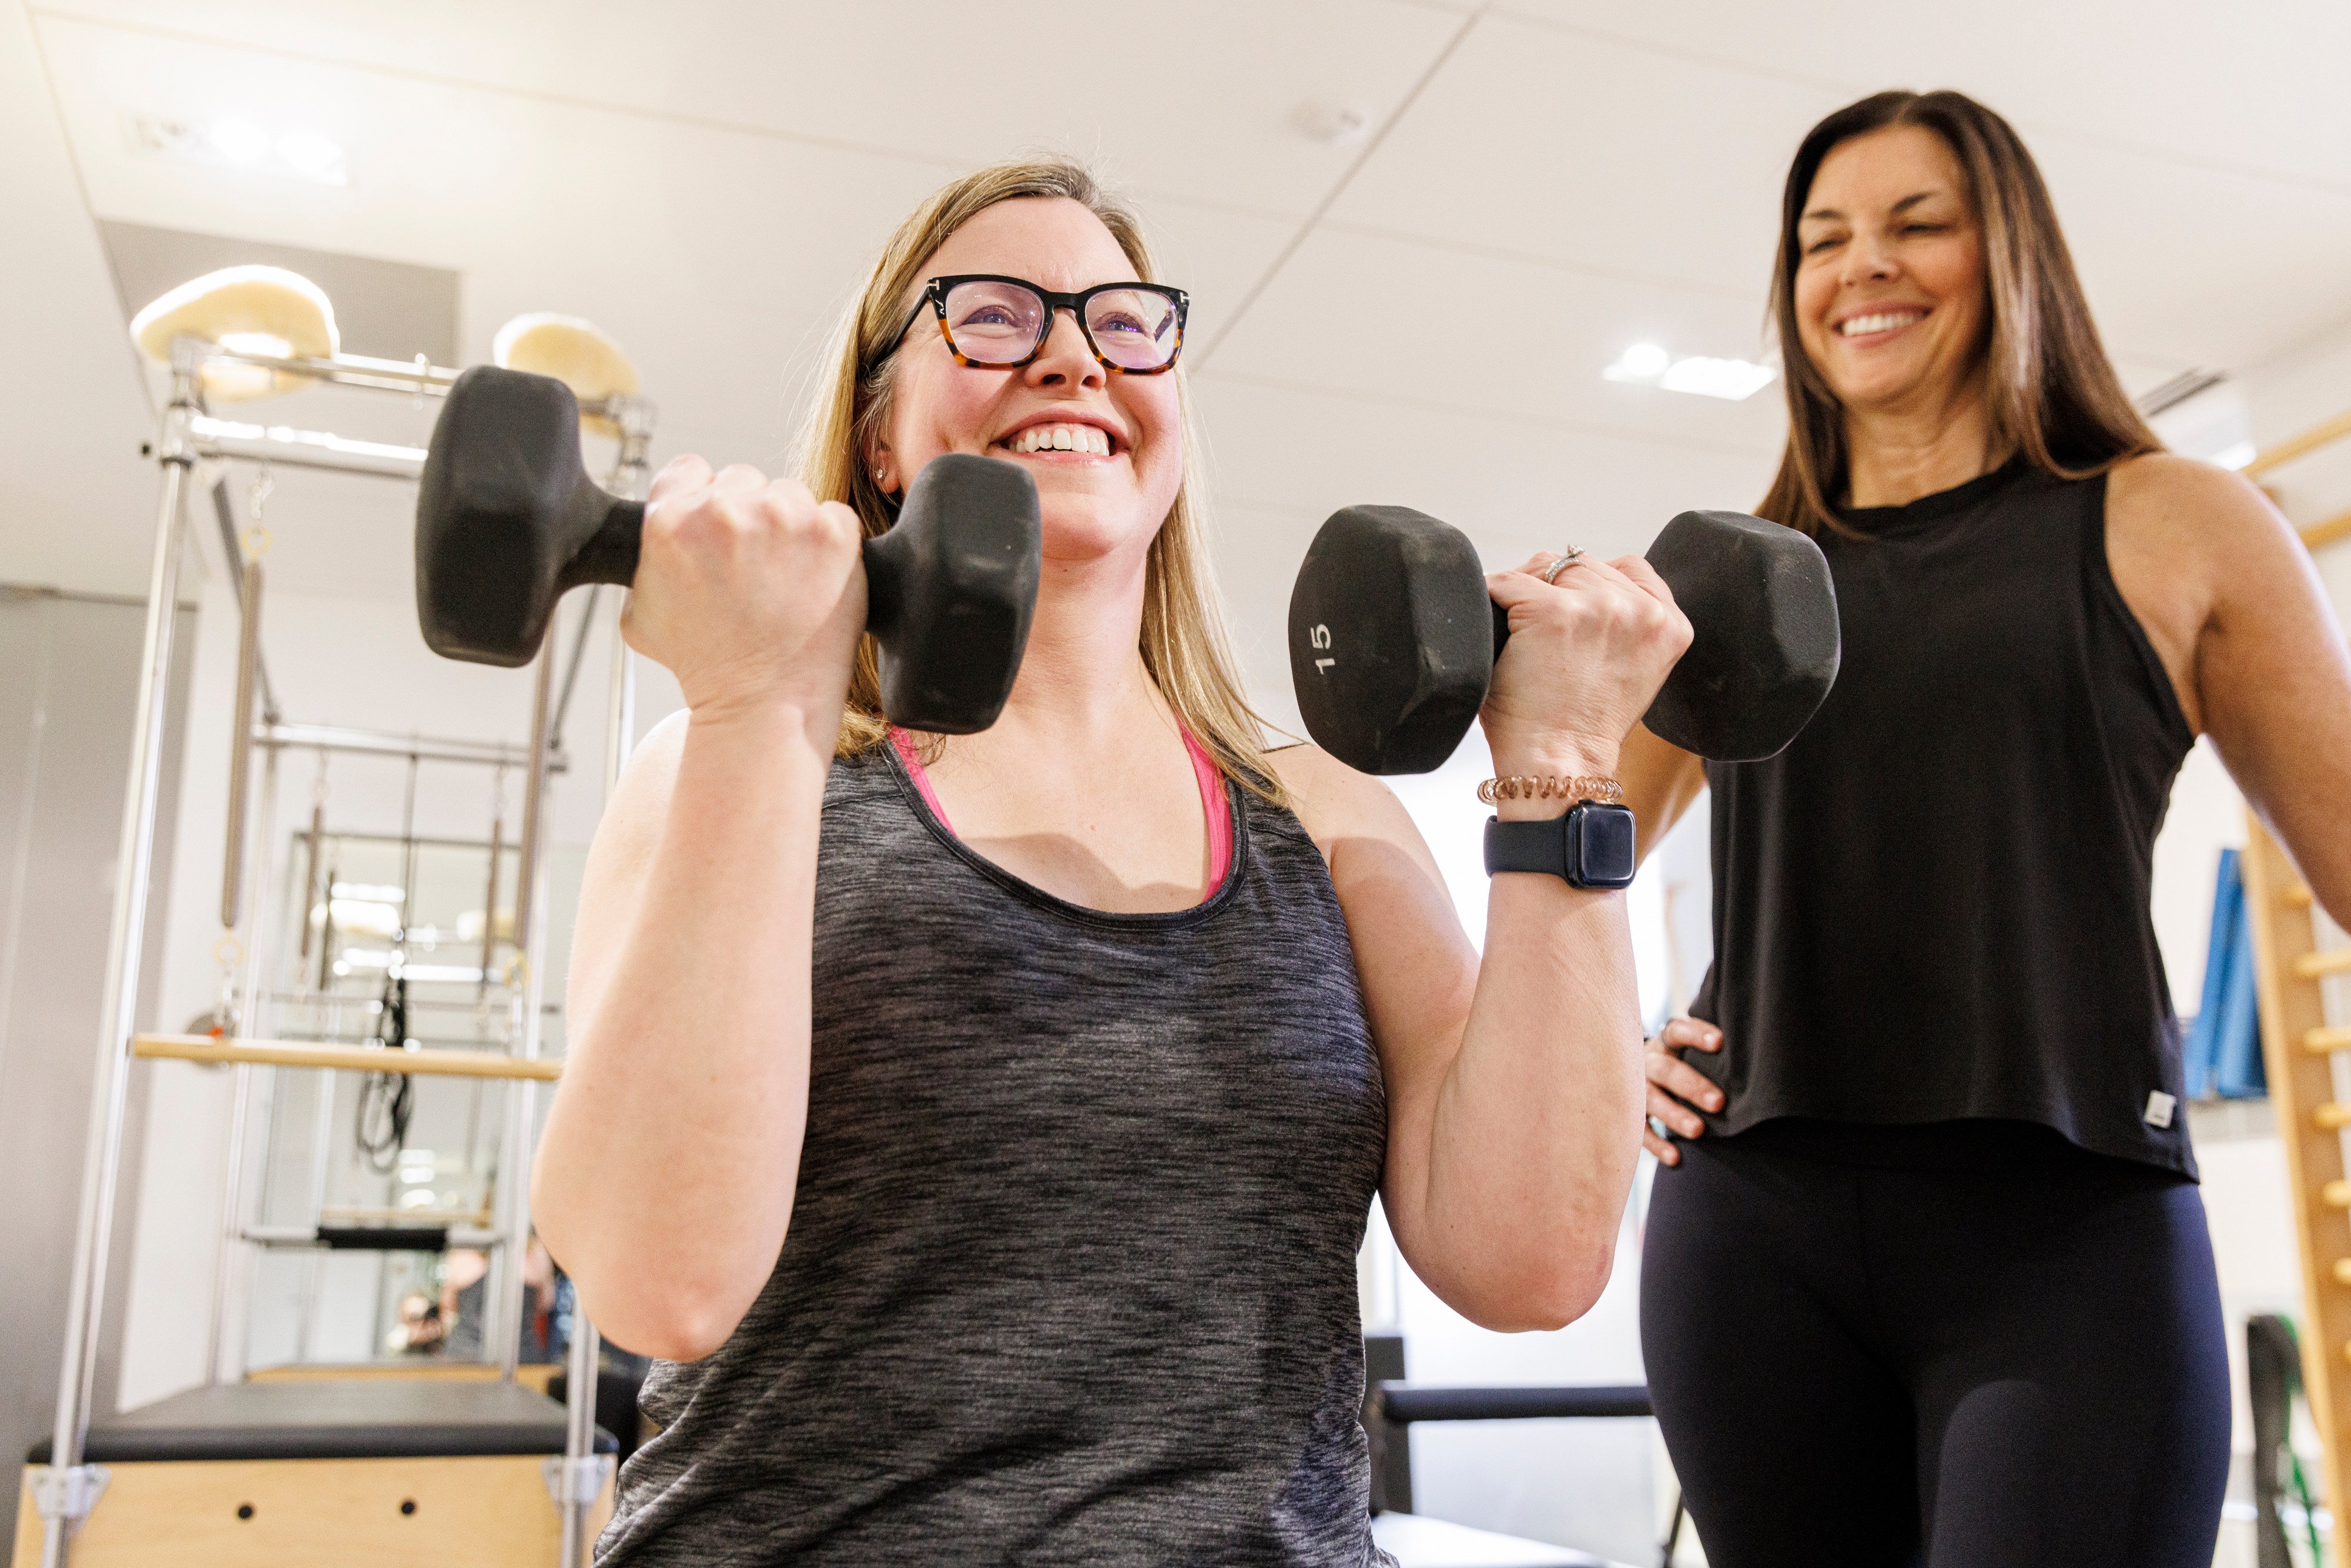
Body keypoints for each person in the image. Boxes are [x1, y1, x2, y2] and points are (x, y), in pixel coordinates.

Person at [530, 158, 1690, 1564]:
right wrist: (751, 704)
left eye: (1124, 321)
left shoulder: (1320, 818)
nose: (1073, 352)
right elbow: (659, 1284)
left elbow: (1528, 1260)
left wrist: (1561, 764)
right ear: (882, 434)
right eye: (995, 314)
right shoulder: (756, 772)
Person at [1629, 89, 2351, 1568]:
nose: (1859, 268)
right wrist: (1592, 1039)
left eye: (1915, 224)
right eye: (1821, 240)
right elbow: (1547, 862)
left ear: (2008, 252)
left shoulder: (2176, 522)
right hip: (1753, 1229)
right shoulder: (1720, 573)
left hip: (2064, 1230)